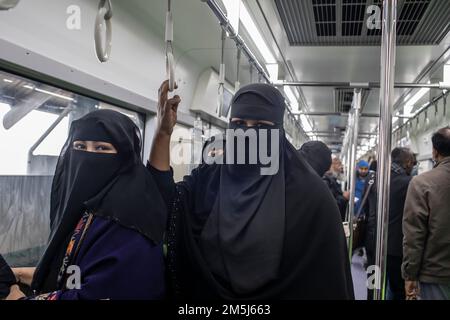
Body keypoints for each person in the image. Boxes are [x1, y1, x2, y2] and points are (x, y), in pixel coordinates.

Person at [148, 81, 354, 300]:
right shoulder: (210, 177)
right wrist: (162, 134)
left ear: (278, 130)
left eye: (261, 127)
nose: (247, 134)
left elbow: (328, 282)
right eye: (239, 123)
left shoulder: (311, 197)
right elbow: (164, 203)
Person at [6, 109, 167, 300]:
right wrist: (17, 273)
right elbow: (74, 272)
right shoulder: (89, 208)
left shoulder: (128, 220)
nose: (88, 157)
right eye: (80, 146)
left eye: (101, 148)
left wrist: (16, 298)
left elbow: (98, 293)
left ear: (124, 156)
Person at [402, 127, 450, 300]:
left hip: (436, 272)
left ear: (435, 152)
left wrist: (410, 274)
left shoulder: (422, 183)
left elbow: (414, 235)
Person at [364, 147, 415, 300]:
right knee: (398, 289)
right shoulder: (409, 183)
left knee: (373, 285)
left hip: (373, 242)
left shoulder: (373, 179)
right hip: (396, 248)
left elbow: (367, 210)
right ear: (407, 162)